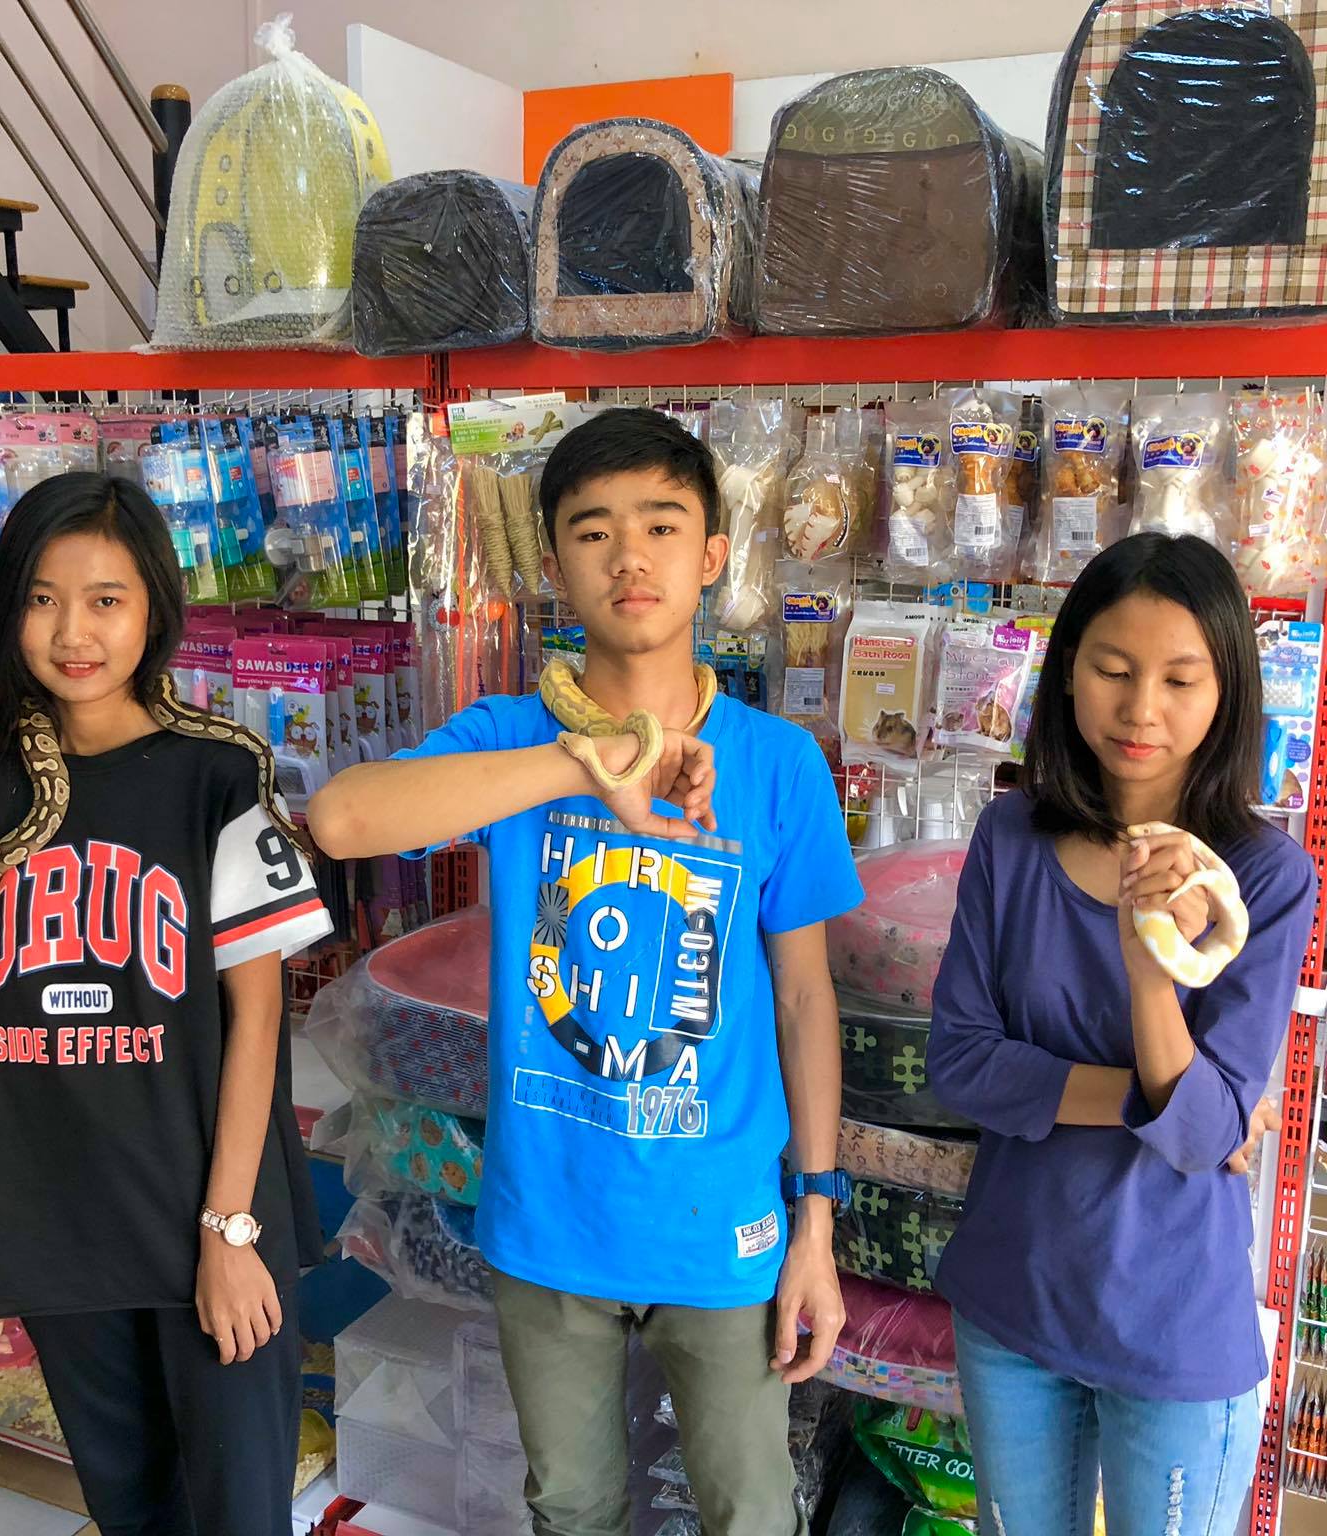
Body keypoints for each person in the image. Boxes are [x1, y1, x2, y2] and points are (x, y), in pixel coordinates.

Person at [308, 408, 861, 1536]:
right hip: (548, 1217)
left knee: (751, 1511)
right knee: (569, 1506)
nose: (629, 557)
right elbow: (343, 817)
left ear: (712, 554)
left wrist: (817, 1217)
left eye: (661, 525)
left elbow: (805, 1001)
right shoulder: (509, 736)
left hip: (721, 1223)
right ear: (554, 566)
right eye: (594, 531)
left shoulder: (777, 764)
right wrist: (584, 759)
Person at [0, 473, 332, 1536]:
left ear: (154, 606)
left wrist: (230, 1229)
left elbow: (259, 1017)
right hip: (60, 1218)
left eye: (105, 599)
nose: (73, 632)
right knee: (132, 1507)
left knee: (240, 1508)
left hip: (208, 1208)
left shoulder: (219, 774)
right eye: (43, 599)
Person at [925, 533, 1317, 1536]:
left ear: (1226, 693)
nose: (1142, 708)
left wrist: (1151, 972)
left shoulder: (1265, 879)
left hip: (1171, 1320)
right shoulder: (1010, 836)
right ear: (1066, 674)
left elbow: (1199, 1135)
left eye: (1180, 680)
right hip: (1014, 1297)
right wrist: (1160, 1100)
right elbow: (959, 1062)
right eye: (1112, 669)